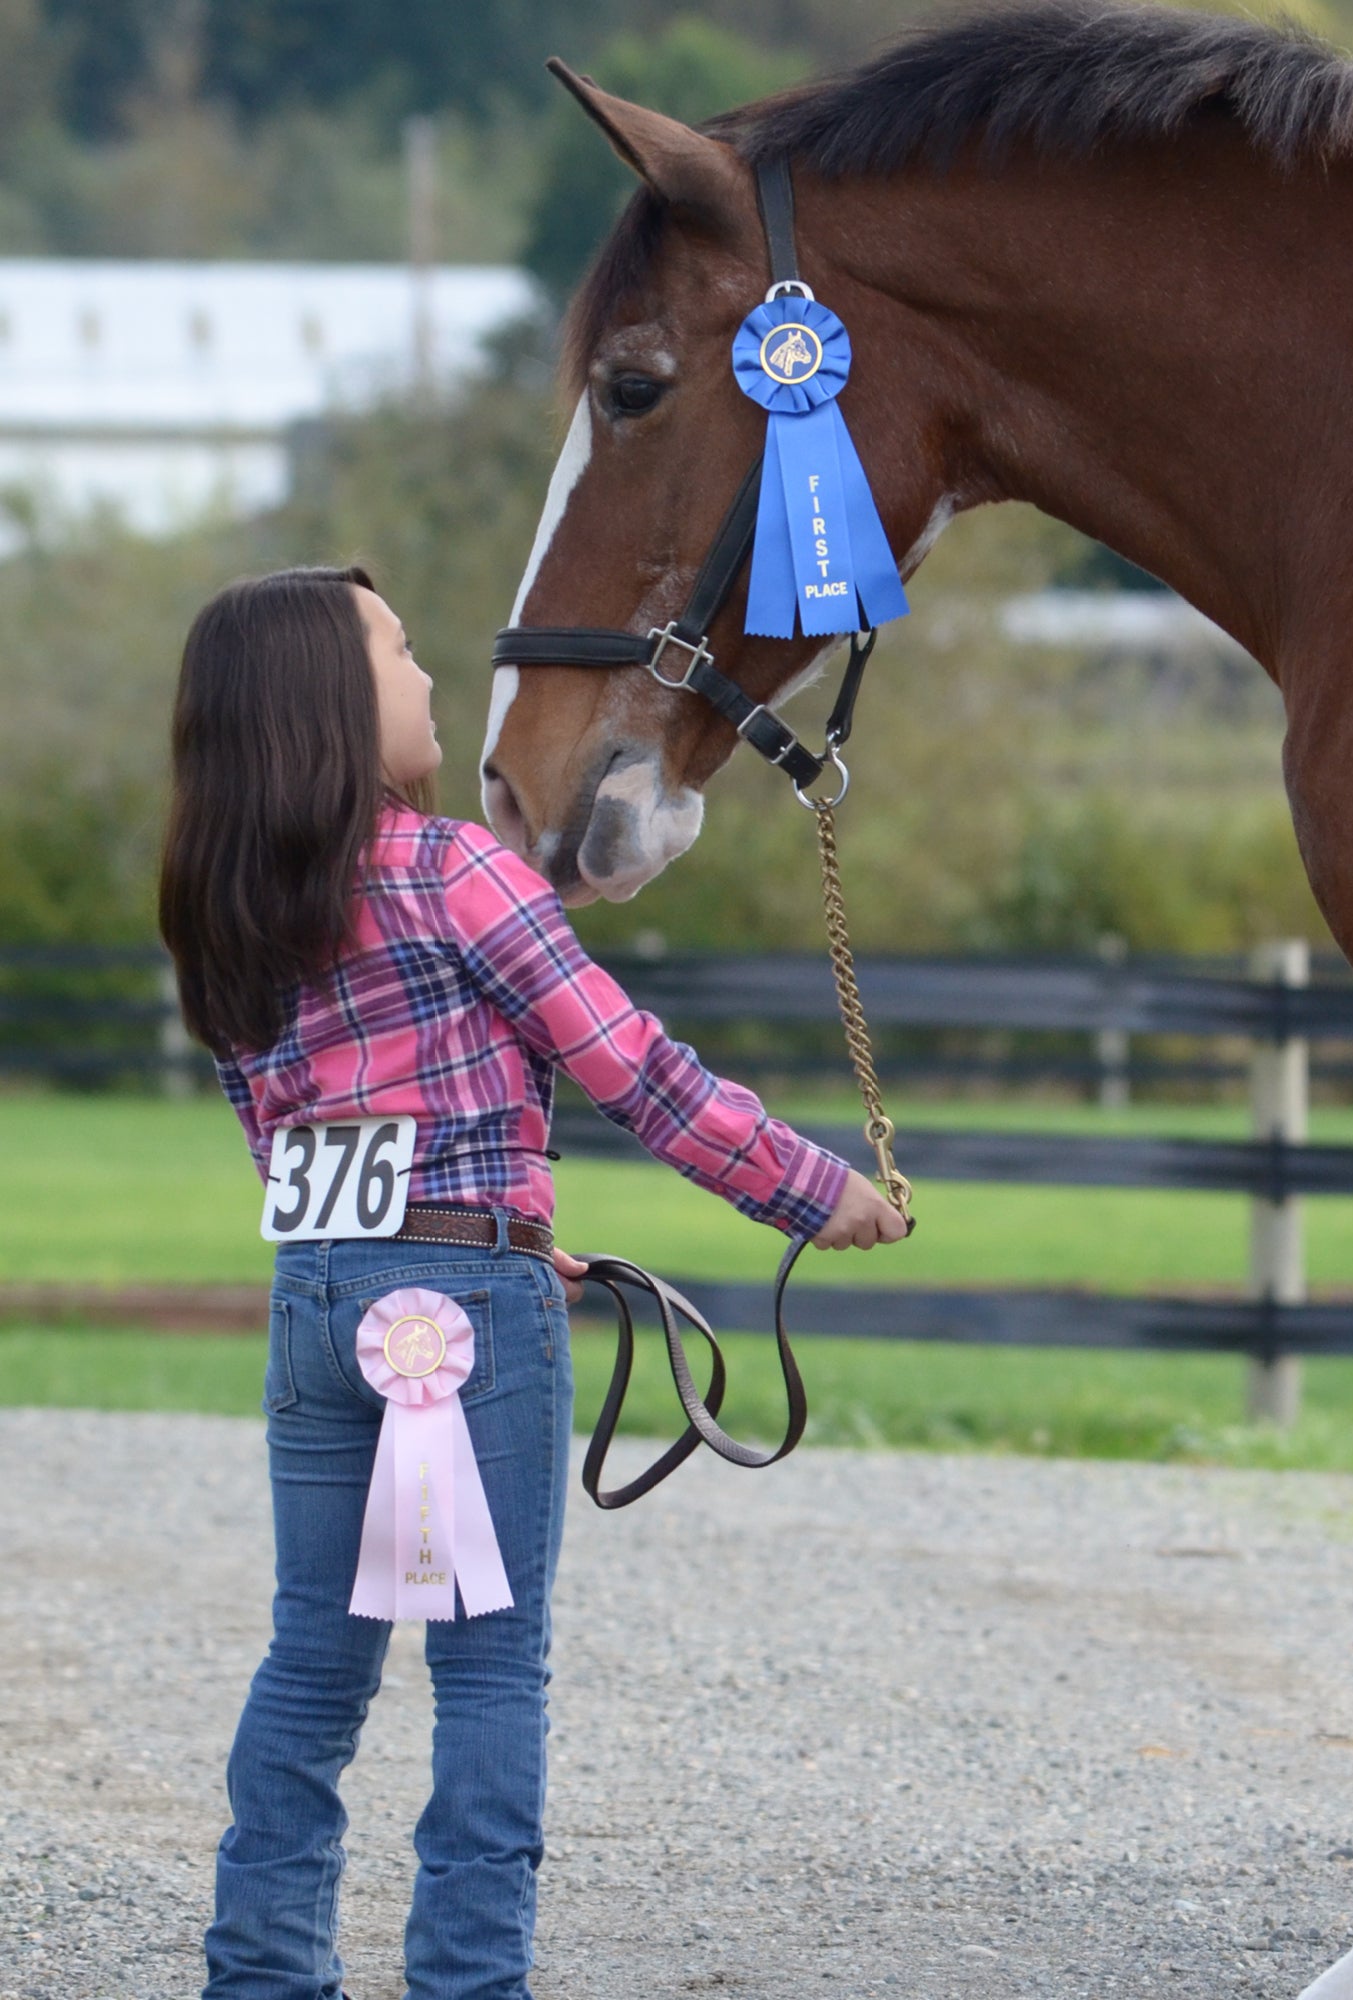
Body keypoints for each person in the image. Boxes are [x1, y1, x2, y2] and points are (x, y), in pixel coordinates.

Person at [158, 565, 905, 2000]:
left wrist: (483, 1229)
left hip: (318, 1300)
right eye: (399, 652)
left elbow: (281, 1136)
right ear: (327, 703)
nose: (431, 677)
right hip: (463, 1315)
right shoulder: (459, 872)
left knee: (314, 1659)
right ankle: (467, 1979)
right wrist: (811, 1189)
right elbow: (635, 1070)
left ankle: (259, 1974)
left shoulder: (224, 900)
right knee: (489, 1667)